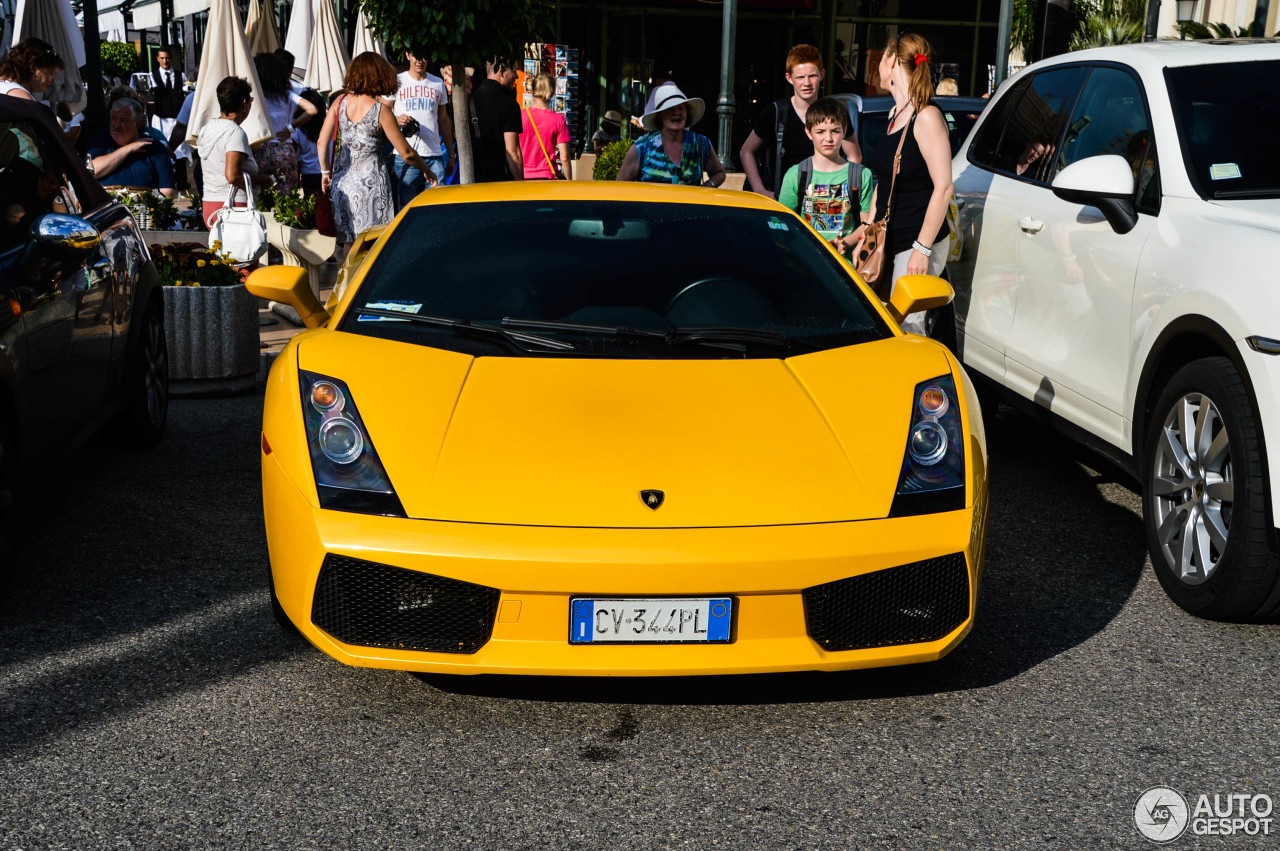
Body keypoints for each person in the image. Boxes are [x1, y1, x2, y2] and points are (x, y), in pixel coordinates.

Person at [867, 31, 954, 334]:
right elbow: (884, 184)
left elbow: (944, 187)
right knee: (884, 327)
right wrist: (866, 234)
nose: (877, 66)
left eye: (880, 58)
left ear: (891, 61)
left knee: (908, 330)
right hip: (889, 240)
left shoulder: (926, 116)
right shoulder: (895, 114)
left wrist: (922, 249)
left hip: (914, 242)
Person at [319, 52, 431, 257]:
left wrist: (325, 171)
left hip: (342, 184)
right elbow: (406, 152)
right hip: (371, 187)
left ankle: (347, 287)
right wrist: (427, 170)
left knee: (349, 244)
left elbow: (322, 141)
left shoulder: (339, 102)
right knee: (372, 246)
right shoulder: (381, 111)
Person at [740, 45, 861, 199]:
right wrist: (760, 190)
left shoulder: (835, 112)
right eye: (800, 77)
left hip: (822, 201)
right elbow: (746, 152)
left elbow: (854, 156)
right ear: (789, 78)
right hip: (783, 199)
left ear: (822, 74)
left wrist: (842, 191)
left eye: (812, 76)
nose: (807, 83)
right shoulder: (775, 112)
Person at [778, 97, 874, 263]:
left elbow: (867, 223)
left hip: (846, 267)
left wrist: (846, 242)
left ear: (844, 131)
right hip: (805, 265)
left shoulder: (861, 175)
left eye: (835, 131)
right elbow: (781, 223)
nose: (828, 139)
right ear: (809, 132)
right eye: (820, 132)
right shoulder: (796, 174)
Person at [615, 81, 725, 187]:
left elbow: (719, 173)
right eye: (670, 108)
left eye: (681, 108)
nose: (676, 112)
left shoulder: (700, 144)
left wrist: (708, 186)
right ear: (659, 115)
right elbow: (620, 187)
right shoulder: (642, 147)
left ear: (687, 114)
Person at [198, 76, 274, 224]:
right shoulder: (234, 132)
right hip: (233, 207)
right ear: (244, 103)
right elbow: (233, 176)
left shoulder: (206, 129)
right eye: (250, 100)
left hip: (210, 205)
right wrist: (262, 181)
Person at [391, 51, 454, 208]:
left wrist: (451, 155)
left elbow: (444, 120)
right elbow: (381, 111)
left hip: (434, 155)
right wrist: (396, 120)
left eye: (424, 56)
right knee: (408, 210)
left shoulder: (437, 83)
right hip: (406, 156)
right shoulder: (397, 81)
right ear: (407, 55)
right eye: (416, 56)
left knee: (438, 207)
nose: (420, 60)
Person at [253, 52, 316, 193]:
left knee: (263, 193)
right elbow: (312, 109)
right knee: (286, 196)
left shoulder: (257, 96)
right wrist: (291, 128)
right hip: (285, 149)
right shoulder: (287, 94)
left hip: (262, 148)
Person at [87, 98, 176, 196]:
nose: (117, 125)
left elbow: (167, 190)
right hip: (106, 207)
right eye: (113, 118)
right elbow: (92, 171)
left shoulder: (155, 148)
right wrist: (127, 149)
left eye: (123, 120)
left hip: (143, 209)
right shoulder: (100, 140)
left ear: (137, 123)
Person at [470, 61, 523, 182]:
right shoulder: (510, 106)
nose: (517, 76)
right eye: (514, 71)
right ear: (501, 71)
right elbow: (513, 152)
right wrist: (521, 185)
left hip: (473, 177)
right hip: (500, 180)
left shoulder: (470, 100)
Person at [520, 73, 571, 180]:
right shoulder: (559, 120)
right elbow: (564, 157)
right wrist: (569, 181)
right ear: (552, 93)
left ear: (532, 90)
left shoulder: (520, 115)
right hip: (547, 176)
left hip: (522, 176)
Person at [150, 48, 186, 141]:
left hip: (177, 120)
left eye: (167, 58)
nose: (165, 61)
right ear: (158, 58)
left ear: (171, 58)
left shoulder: (181, 76)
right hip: (160, 120)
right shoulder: (152, 76)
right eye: (162, 58)